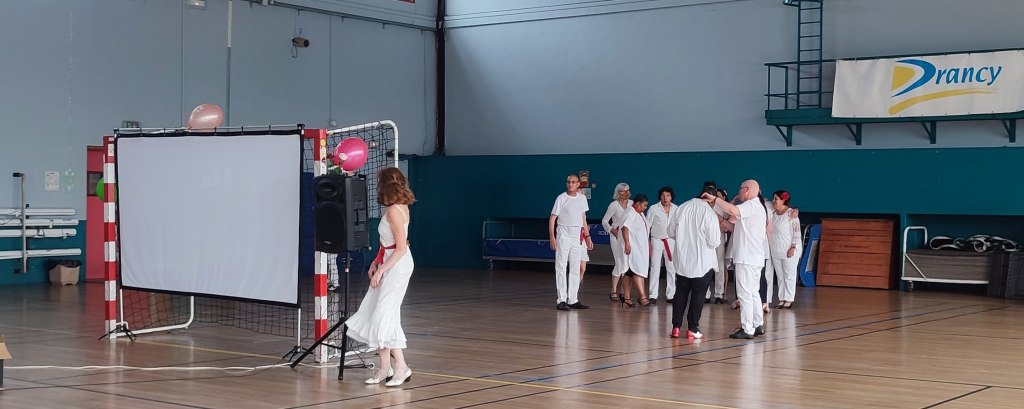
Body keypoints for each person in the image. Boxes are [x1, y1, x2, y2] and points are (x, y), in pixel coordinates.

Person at [345, 167, 417, 387]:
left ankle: (400, 367)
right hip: (389, 260)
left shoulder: (395, 210)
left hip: (398, 265)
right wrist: (377, 261)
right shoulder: (395, 208)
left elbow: (400, 248)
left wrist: (382, 269)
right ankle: (386, 368)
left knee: (384, 315)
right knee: (377, 314)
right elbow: (387, 243)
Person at [708, 180, 767, 340]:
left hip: (747, 257)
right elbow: (736, 229)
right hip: (753, 257)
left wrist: (715, 199)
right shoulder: (757, 207)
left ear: (748, 190)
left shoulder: (751, 205)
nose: (739, 192)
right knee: (753, 292)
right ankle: (757, 324)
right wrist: (721, 220)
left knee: (745, 294)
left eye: (741, 189)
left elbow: (732, 210)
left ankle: (747, 328)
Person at [670, 182, 722, 339]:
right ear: (712, 198)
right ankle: (692, 328)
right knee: (698, 295)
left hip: (683, 260)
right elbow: (714, 242)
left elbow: (670, 232)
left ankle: (676, 327)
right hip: (702, 262)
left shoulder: (682, 207)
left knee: (680, 292)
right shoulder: (709, 213)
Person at [549, 173, 593, 311]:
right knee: (561, 267)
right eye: (568, 182)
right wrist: (552, 236)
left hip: (577, 237)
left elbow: (583, 218)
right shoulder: (561, 198)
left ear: (578, 184)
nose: (570, 184)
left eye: (573, 182)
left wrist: (587, 236)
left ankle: (573, 299)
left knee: (575, 268)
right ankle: (561, 300)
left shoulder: (582, 198)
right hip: (563, 235)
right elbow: (552, 218)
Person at [769, 190, 802, 309]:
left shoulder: (791, 214)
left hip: (788, 249)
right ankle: (782, 298)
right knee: (780, 275)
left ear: (783, 200)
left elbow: (796, 232)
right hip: (776, 249)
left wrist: (793, 247)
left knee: (789, 274)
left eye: (776, 199)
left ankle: (789, 298)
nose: (774, 201)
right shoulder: (773, 213)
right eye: (773, 198)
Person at [647, 187, 678, 305]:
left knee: (671, 268)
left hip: (671, 240)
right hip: (656, 240)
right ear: (660, 196)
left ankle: (671, 295)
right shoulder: (653, 208)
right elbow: (647, 225)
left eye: (668, 195)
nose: (665, 198)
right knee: (655, 267)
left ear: (671, 197)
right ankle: (652, 295)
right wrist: (647, 241)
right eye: (663, 195)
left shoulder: (676, 209)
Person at [619, 194, 651, 307]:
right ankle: (642, 297)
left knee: (629, 273)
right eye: (644, 205)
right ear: (637, 203)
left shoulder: (640, 213)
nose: (645, 208)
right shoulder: (630, 213)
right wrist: (627, 243)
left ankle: (626, 297)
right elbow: (625, 228)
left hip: (641, 248)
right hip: (634, 248)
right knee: (638, 271)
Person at [602, 183, 633, 301]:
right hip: (616, 236)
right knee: (620, 262)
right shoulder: (613, 205)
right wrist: (611, 230)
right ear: (618, 192)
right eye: (623, 191)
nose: (626, 193)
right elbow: (605, 220)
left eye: (627, 190)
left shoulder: (632, 204)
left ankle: (623, 291)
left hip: (628, 236)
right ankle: (613, 290)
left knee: (627, 264)